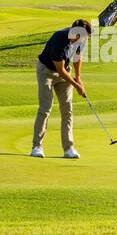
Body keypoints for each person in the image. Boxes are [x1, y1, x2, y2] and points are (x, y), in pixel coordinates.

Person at [31, 18, 91, 159]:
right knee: (45, 108)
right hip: (46, 71)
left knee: (67, 110)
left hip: (64, 71)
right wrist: (76, 86)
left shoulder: (82, 38)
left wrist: (78, 77)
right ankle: (36, 147)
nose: (85, 39)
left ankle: (69, 148)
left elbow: (77, 57)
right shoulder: (59, 39)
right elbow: (61, 70)